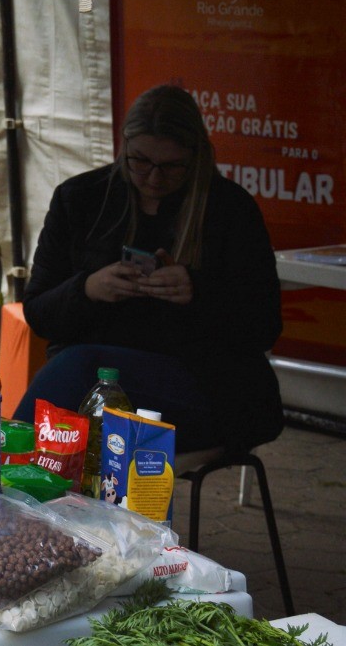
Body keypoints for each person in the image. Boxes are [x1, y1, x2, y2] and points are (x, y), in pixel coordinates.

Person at [14, 84, 283, 454]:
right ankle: (17, 484)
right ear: (123, 145)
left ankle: (8, 476)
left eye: (171, 166)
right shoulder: (80, 198)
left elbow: (264, 327)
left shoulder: (229, 210)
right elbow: (39, 314)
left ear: (197, 155)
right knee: (86, 383)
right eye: (140, 161)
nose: (154, 178)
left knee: (84, 374)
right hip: (91, 386)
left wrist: (196, 292)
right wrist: (88, 289)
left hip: (202, 384)